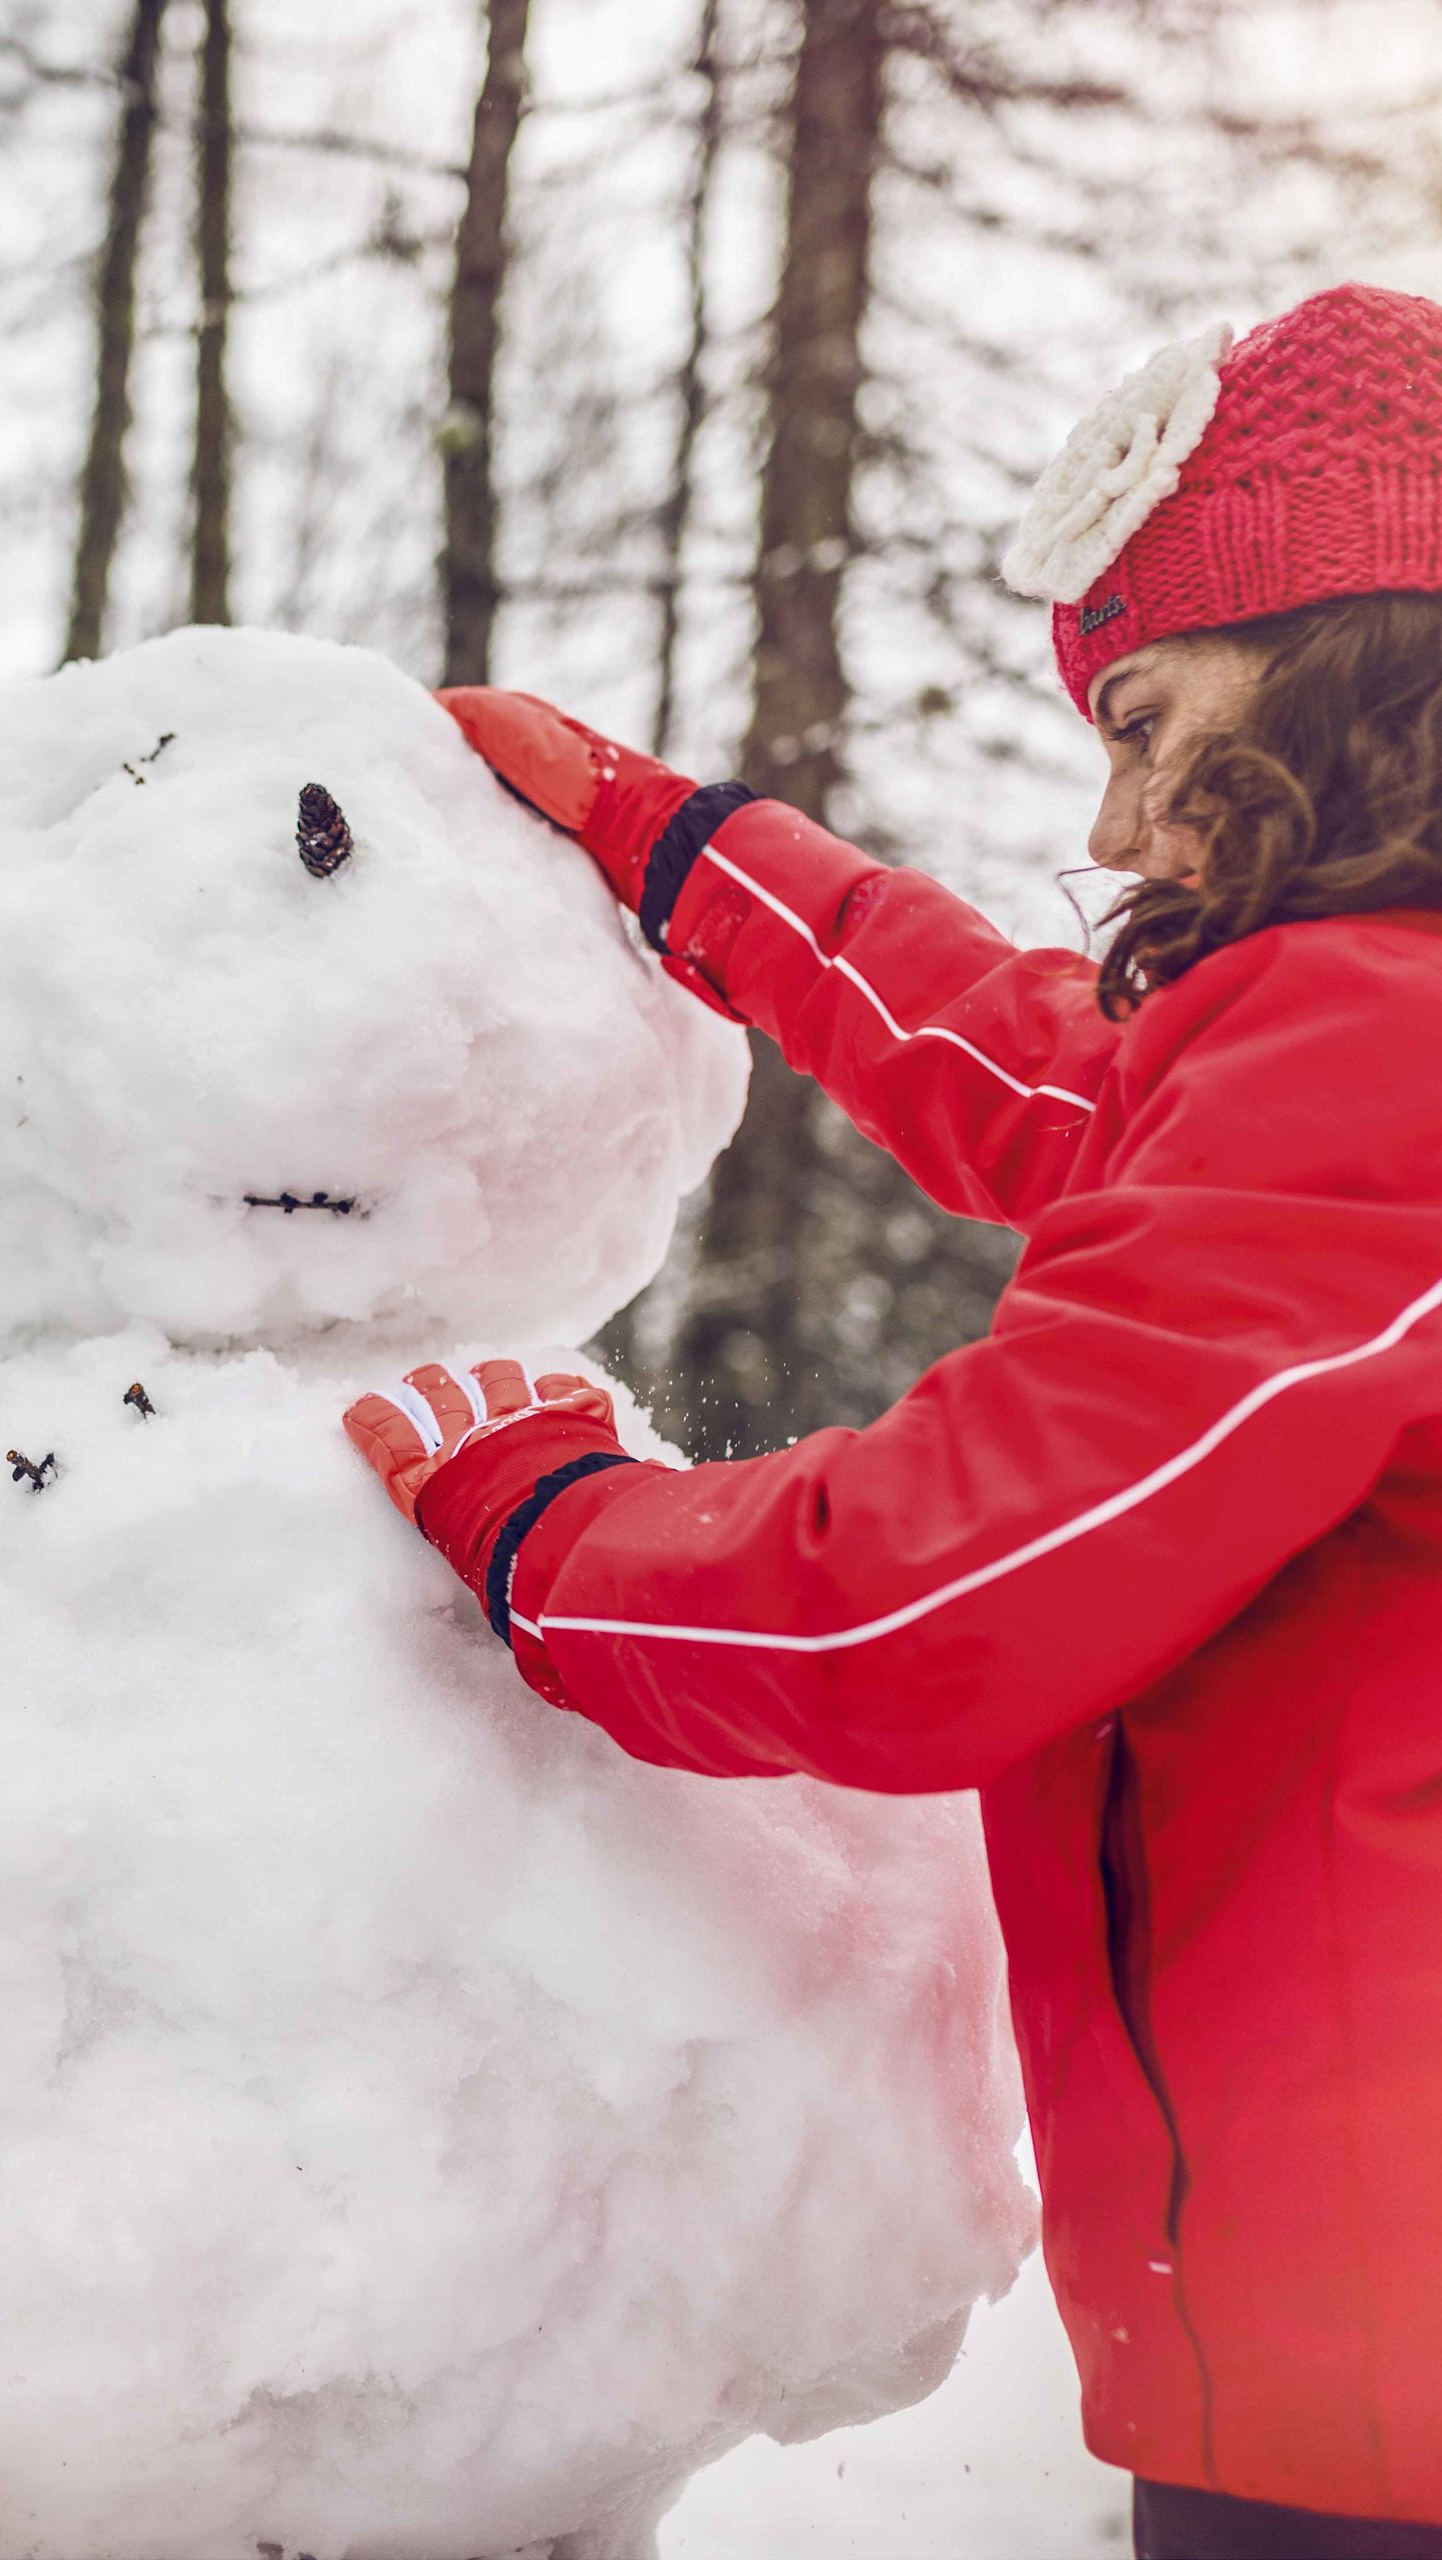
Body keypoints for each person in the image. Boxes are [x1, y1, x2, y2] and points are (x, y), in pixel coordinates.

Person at [349, 281, 1442, 2560]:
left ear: (1351, 639)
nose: (1120, 809)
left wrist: (537, 1523)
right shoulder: (1358, 1037)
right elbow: (1072, 1083)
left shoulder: (1383, 1050)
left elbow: (924, 1598)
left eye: (1144, 706)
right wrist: (703, 864)